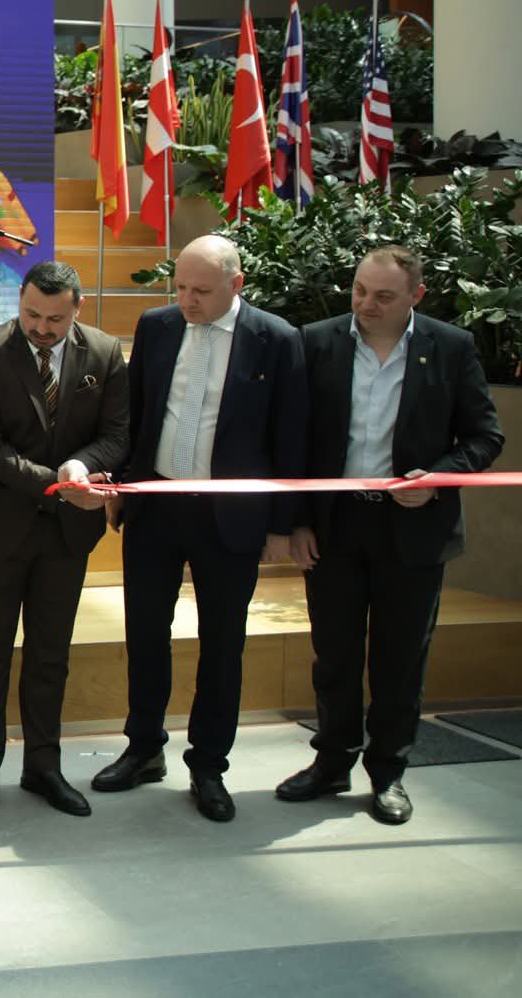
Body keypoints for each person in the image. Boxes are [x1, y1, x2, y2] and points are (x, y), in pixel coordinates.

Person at [277, 245, 504, 825]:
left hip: (413, 529)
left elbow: (485, 437)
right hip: (335, 525)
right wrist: (297, 521)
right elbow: (294, 439)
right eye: (359, 290)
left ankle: (389, 773)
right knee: (334, 655)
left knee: (399, 660)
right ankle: (331, 762)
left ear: (416, 296)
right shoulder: (317, 341)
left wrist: (437, 479)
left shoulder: (450, 347)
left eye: (383, 296)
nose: (365, 305)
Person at [97, 235, 306, 822]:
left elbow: (291, 434)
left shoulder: (276, 339)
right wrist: (122, 487)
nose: (187, 300)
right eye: (181, 287)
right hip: (157, 505)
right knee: (145, 632)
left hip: (229, 515)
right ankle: (143, 748)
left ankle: (209, 764)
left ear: (236, 285)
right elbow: (137, 412)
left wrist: (282, 524)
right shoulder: (157, 326)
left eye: (202, 291)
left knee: (222, 642)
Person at [0, 262, 128, 819]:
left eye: (55, 319)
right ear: (20, 301)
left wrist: (82, 464)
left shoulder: (104, 353)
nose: (41, 328)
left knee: (50, 653)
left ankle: (43, 767)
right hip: (0, 528)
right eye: (31, 314)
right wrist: (57, 484)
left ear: (77, 308)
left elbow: (116, 435)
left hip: (67, 534)